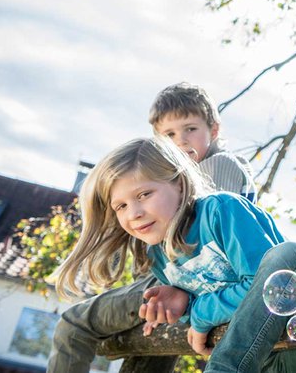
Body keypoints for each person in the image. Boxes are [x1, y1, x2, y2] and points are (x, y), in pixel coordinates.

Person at [53, 137, 296, 373]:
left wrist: (199, 313)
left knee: (291, 253)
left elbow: (265, 289)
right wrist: (184, 306)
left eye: (143, 195)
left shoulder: (220, 211)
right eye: (121, 206)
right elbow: (208, 308)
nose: (134, 213)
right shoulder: (159, 256)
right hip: (266, 363)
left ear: (178, 182)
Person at [50, 82, 252, 372]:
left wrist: (182, 293)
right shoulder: (167, 184)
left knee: (73, 325)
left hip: (183, 280)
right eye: (169, 135)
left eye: (190, 129)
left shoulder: (220, 166)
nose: (181, 141)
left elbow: (211, 246)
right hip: (176, 279)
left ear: (214, 130)